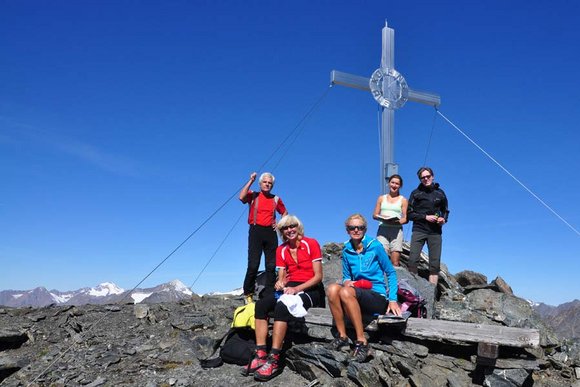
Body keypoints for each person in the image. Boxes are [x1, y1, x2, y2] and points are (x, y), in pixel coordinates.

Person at [246, 215, 325, 381]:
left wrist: (296, 288)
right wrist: (279, 284)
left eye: (292, 226)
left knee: (282, 307)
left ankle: (274, 358)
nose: (289, 230)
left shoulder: (311, 244)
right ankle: (260, 353)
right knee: (260, 305)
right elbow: (281, 278)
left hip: (311, 289)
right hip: (290, 288)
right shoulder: (281, 249)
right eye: (285, 228)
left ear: (298, 227)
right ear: (281, 232)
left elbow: (318, 276)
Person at [326, 214, 401, 362]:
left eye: (360, 227)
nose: (356, 230)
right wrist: (347, 281)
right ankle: (342, 336)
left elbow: (391, 273)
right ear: (347, 230)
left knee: (346, 292)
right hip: (356, 293)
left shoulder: (375, 246)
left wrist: (392, 299)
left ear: (365, 229)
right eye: (352, 228)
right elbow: (347, 275)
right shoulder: (347, 250)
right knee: (332, 289)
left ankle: (362, 342)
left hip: (376, 296)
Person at [239, 172, 287, 304]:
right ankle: (248, 293)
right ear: (260, 184)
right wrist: (250, 180)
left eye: (270, 183)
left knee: (271, 265)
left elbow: (284, 212)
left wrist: (279, 224)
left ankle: (270, 293)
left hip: (270, 232)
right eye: (265, 182)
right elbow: (241, 197)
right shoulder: (253, 195)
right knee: (253, 264)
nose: (267, 184)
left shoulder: (276, 199)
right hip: (256, 231)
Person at [407, 167, 449, 285]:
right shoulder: (415, 193)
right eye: (423, 177)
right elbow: (409, 214)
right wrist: (425, 217)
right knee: (412, 261)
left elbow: (445, 210)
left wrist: (443, 219)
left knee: (434, 264)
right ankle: (412, 292)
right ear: (420, 179)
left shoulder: (440, 193)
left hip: (435, 232)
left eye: (428, 176)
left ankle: (431, 295)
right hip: (419, 230)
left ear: (433, 176)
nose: (426, 179)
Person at [372, 174, 408, 266]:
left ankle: (394, 279)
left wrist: (397, 222)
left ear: (400, 186)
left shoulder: (403, 200)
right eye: (392, 183)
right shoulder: (381, 198)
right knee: (381, 258)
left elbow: (406, 218)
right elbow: (374, 215)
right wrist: (383, 218)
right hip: (383, 230)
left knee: (395, 261)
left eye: (397, 184)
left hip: (396, 231)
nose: (394, 185)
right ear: (389, 183)